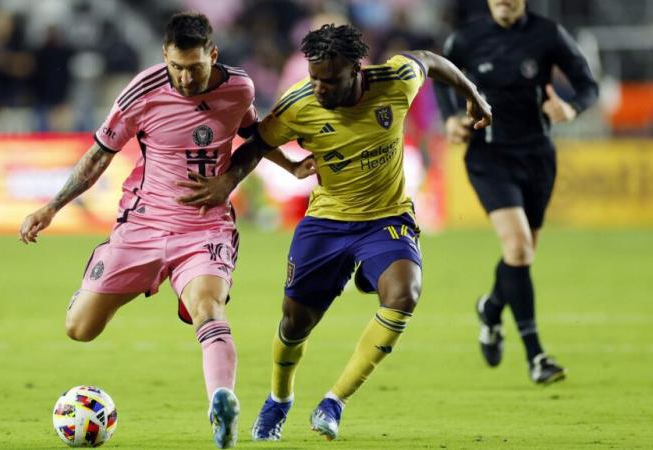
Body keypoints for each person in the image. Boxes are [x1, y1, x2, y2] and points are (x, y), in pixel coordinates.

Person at [177, 23, 491, 441]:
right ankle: (279, 399)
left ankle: (334, 402)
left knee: (404, 293)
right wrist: (228, 181)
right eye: (314, 78)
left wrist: (473, 95)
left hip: (387, 216)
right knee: (294, 324)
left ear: (356, 70)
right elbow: (255, 143)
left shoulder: (395, 80)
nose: (320, 88)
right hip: (327, 223)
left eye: (331, 80)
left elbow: (432, 61)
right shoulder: (298, 105)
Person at [18, 12, 312, 449]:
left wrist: (252, 175)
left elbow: (253, 136)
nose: (186, 78)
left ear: (213, 55)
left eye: (195, 67)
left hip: (204, 227)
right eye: (176, 67)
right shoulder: (142, 91)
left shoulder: (238, 87)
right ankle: (105, 271)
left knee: (208, 308)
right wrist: (52, 206)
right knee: (79, 329)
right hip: (144, 224)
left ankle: (221, 403)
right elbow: (100, 155)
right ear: (164, 57)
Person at [433, 0, 598, 384]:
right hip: (488, 155)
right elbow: (439, 77)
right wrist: (451, 118)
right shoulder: (467, 38)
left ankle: (491, 310)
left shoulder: (548, 34)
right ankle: (537, 356)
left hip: (538, 156)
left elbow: (588, 84)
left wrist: (572, 109)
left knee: (520, 255)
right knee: (519, 247)